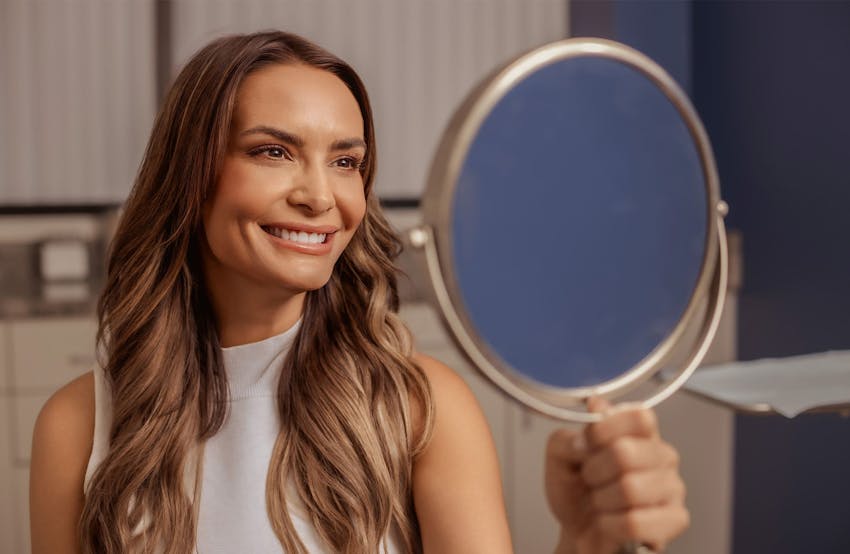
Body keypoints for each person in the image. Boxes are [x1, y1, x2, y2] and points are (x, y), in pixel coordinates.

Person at [29, 31, 688, 554]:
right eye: (272, 152)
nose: (321, 197)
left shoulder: (421, 411)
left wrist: (584, 543)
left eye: (346, 162)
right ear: (192, 177)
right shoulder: (77, 427)